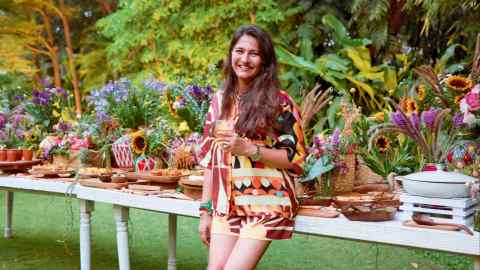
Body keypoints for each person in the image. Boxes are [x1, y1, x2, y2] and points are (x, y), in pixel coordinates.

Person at [197, 24, 306, 270]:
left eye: (253, 53)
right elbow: (210, 160)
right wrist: (206, 212)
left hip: (267, 203)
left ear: (264, 61)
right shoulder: (218, 102)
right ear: (231, 54)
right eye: (239, 51)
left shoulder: (279, 102)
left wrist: (249, 149)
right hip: (226, 205)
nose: (244, 59)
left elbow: (295, 157)